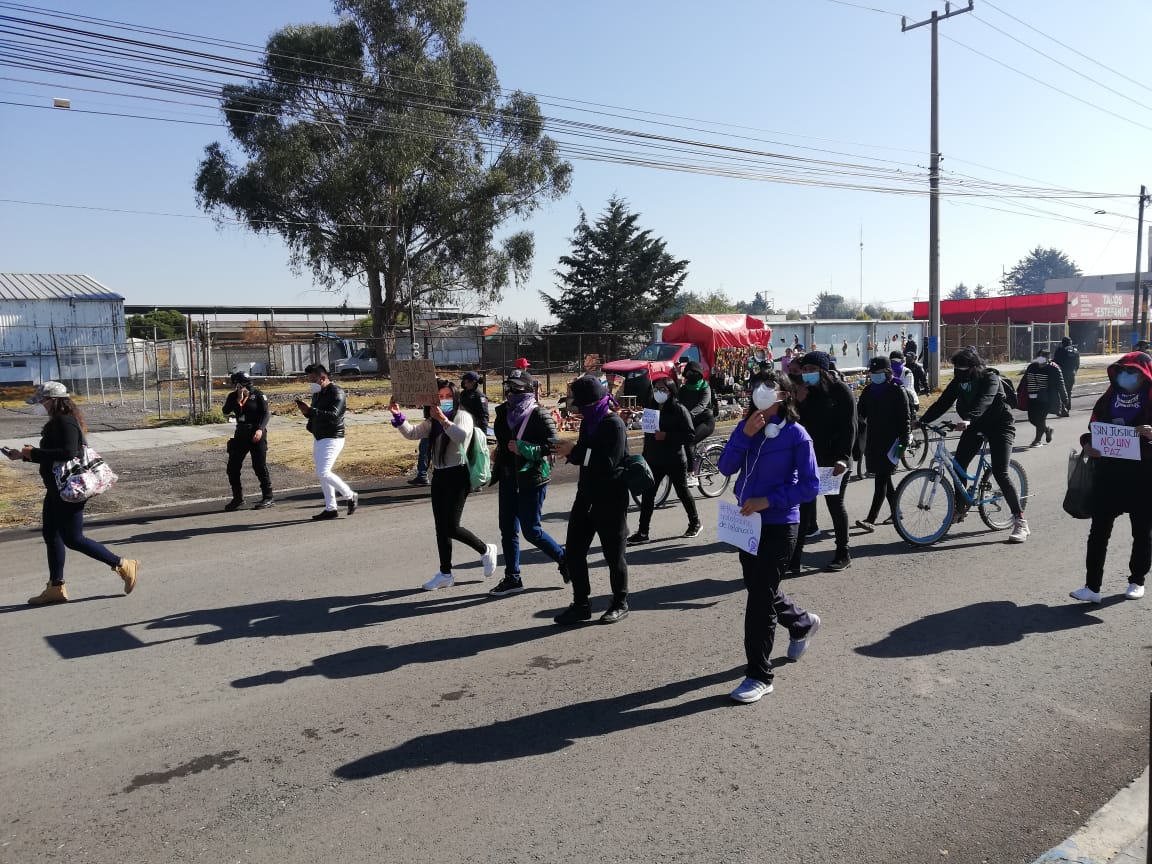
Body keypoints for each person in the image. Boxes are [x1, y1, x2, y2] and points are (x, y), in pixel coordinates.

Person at [717, 370, 822, 704]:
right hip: (747, 526)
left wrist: (769, 500)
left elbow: (810, 485)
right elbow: (724, 467)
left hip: (780, 525)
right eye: (757, 386)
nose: (760, 392)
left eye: (769, 386)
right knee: (761, 589)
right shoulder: (748, 427)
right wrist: (744, 434)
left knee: (759, 600)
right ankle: (802, 622)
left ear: (785, 395)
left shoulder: (796, 435)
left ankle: (759, 676)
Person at [5, 382, 139, 605]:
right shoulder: (59, 421)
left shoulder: (64, 421)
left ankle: (123, 564)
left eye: (42, 401)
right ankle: (56, 587)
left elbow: (69, 453)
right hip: (57, 489)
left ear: (54, 401)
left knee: (73, 538)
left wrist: (34, 452)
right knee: (51, 534)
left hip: (69, 489)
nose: (40, 406)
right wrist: (24, 455)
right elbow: (55, 455)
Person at [390, 379, 498, 591]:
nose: (444, 400)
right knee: (441, 528)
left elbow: (461, 436)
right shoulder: (432, 421)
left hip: (458, 475)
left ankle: (486, 549)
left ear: (455, 397)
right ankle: (445, 573)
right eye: (440, 396)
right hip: (439, 475)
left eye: (448, 396)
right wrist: (397, 415)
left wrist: (443, 420)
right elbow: (412, 433)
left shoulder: (462, 416)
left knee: (451, 526)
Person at [917, 347, 1029, 543]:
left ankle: (1020, 521)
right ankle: (960, 509)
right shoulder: (959, 381)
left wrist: (969, 419)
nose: (958, 372)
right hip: (975, 425)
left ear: (973, 367)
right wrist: (922, 421)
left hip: (1000, 426)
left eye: (962, 368)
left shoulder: (989, 378)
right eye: (955, 368)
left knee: (1000, 471)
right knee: (958, 464)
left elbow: (985, 401)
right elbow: (942, 403)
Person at [1070, 352, 1150, 603]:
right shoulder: (1109, 397)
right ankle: (1092, 587)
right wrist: (1088, 444)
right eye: (1123, 371)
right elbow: (1094, 429)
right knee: (1098, 531)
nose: (1127, 376)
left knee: (1142, 531)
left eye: (1133, 372)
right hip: (1108, 474)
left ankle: (1137, 581)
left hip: (1143, 476)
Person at [552, 375, 630, 625]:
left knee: (613, 555)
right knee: (574, 552)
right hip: (586, 496)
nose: (580, 411)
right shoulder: (589, 424)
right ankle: (581, 604)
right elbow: (585, 456)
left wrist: (574, 451)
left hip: (611, 498)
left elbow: (607, 463)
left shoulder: (613, 424)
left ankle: (620, 602)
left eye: (583, 406)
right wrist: (567, 450)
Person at [489, 369, 566, 597]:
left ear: (528, 390)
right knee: (507, 529)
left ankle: (565, 560)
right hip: (508, 476)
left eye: (516, 388)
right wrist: (499, 452)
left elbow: (555, 446)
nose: (511, 393)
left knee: (531, 530)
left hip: (532, 478)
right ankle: (513, 577)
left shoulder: (539, 414)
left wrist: (526, 448)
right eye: (508, 388)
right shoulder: (503, 412)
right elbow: (504, 441)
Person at [791, 351, 855, 572]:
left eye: (811, 370)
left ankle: (843, 553)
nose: (807, 374)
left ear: (824, 371)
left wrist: (844, 458)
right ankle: (794, 559)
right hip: (810, 460)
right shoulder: (806, 392)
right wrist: (797, 404)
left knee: (834, 505)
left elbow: (850, 428)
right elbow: (797, 425)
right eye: (804, 369)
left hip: (835, 461)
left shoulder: (841, 392)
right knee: (804, 507)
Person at [628, 374, 701, 545]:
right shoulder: (651, 408)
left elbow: (690, 435)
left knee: (682, 492)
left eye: (663, 389)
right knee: (648, 495)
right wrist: (645, 457)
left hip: (674, 459)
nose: (659, 392)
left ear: (670, 391)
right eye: (656, 389)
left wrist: (668, 436)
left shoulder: (679, 409)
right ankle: (643, 532)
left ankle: (695, 523)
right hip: (654, 459)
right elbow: (648, 435)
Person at [854, 356, 912, 533]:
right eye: (872, 373)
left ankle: (871, 519)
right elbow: (859, 413)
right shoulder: (869, 390)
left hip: (892, 443)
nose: (875, 376)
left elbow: (905, 420)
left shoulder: (897, 390)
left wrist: (903, 443)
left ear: (887, 373)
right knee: (884, 478)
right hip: (874, 441)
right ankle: (897, 512)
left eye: (878, 373)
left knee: (881, 479)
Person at [295, 364, 357, 520]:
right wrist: (307, 413)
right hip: (319, 436)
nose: (311, 383)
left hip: (333, 437)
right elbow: (316, 414)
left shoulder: (337, 392)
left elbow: (334, 415)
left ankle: (350, 495)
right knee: (323, 475)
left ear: (323, 378)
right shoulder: (318, 393)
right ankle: (331, 508)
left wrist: (312, 411)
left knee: (323, 472)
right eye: (309, 379)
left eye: (313, 379)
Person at [221, 371, 273, 511]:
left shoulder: (258, 395)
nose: (236, 386)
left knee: (259, 466)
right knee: (232, 467)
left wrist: (260, 429)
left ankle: (268, 496)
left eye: (237, 384)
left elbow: (266, 414)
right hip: (241, 434)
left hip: (256, 433)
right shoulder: (233, 396)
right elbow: (225, 411)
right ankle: (238, 498)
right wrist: (236, 400)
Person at [678, 360, 715, 487]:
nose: (690, 375)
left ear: (699, 373)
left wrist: (688, 414)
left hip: (705, 422)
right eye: (688, 372)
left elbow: (702, 405)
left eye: (693, 372)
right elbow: (677, 403)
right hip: (690, 422)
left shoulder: (705, 387)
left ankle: (691, 474)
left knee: (690, 441)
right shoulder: (683, 389)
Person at [1020, 349, 1065, 447]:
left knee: (1040, 419)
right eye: (1040, 357)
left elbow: (1060, 384)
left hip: (1045, 399)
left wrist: (1065, 398)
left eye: (1044, 357)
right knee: (1032, 419)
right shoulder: (1032, 367)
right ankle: (1047, 430)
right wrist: (1018, 391)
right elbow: (1025, 379)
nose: (1041, 359)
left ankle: (1037, 440)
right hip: (1031, 397)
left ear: (1048, 358)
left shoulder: (1053, 368)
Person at [1053, 337, 1080, 416]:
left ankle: (1062, 409)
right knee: (1068, 391)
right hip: (1071, 374)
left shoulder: (1061, 350)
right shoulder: (1076, 351)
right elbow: (1077, 365)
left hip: (1062, 374)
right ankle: (1067, 407)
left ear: (1063, 343)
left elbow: (1055, 362)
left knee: (1060, 391)